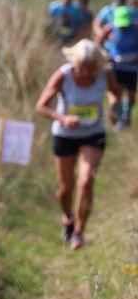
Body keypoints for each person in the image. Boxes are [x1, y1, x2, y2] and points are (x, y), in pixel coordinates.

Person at [35, 40, 121, 250]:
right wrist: (62, 118)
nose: (85, 72)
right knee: (66, 188)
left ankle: (78, 233)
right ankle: (68, 218)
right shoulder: (62, 75)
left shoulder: (105, 74)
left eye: (90, 67)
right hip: (65, 134)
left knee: (86, 180)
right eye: (82, 67)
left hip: (93, 133)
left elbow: (115, 92)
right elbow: (41, 106)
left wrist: (113, 107)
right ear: (74, 62)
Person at [95, 0, 138, 128]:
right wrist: (104, 53)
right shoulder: (110, 27)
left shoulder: (136, 27)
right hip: (116, 65)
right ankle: (117, 116)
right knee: (115, 92)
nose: (123, 27)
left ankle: (126, 115)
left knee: (131, 95)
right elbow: (98, 40)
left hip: (132, 67)